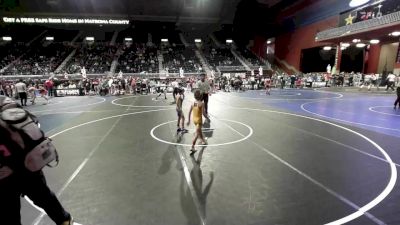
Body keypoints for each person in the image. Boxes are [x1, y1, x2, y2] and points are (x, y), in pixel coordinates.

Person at [0, 96, 75, 225]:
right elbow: (35, 123)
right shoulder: (5, 101)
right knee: (44, 196)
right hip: (30, 162)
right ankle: (65, 220)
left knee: (10, 211)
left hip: (6, 172)